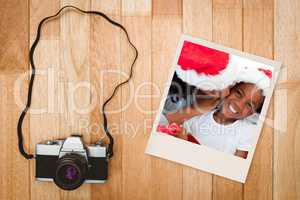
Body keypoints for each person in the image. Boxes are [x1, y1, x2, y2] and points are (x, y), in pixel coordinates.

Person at [176, 82, 265, 159]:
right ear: (229, 90)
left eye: (249, 105)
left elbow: (238, 166)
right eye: (238, 93)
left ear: (252, 113)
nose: (239, 104)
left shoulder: (248, 130)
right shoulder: (199, 114)